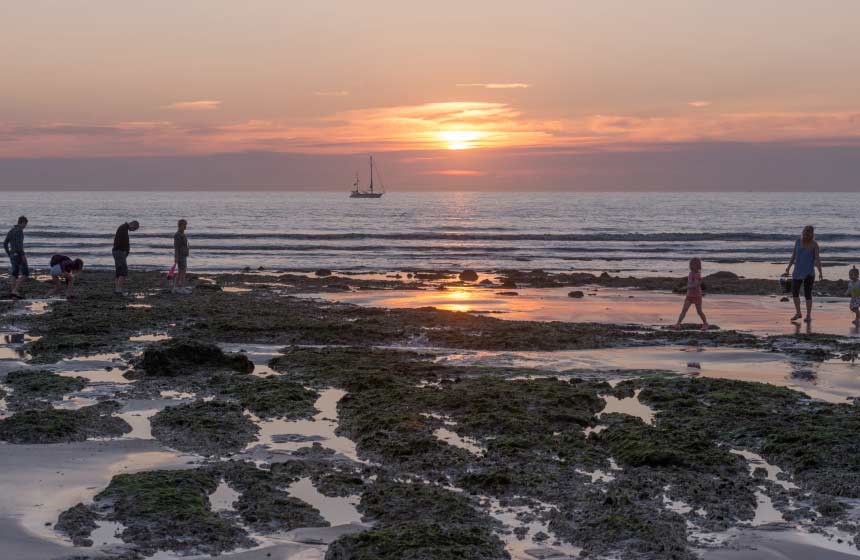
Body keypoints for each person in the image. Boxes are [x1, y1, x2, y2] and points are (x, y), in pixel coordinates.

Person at [785, 225, 823, 323]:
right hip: (797, 272)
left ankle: (808, 315)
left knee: (808, 294)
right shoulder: (798, 241)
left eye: (809, 231)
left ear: (812, 234)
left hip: (809, 273)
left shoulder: (814, 244)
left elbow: (817, 260)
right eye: (805, 231)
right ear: (803, 231)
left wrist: (820, 272)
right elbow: (793, 256)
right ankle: (798, 313)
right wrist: (788, 268)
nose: (806, 233)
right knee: (795, 292)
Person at [673, 257, 708, 331]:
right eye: (690, 264)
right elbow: (689, 283)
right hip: (689, 295)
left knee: (699, 312)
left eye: (693, 265)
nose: (691, 266)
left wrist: (685, 287)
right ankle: (678, 324)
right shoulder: (690, 273)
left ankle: (705, 323)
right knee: (684, 310)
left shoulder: (698, 275)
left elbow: (695, 285)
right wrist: (687, 287)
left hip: (697, 296)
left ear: (698, 266)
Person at [4, 216, 29, 298]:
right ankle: (15, 290)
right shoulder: (19, 231)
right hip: (18, 254)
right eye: (25, 224)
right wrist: (22, 255)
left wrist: (9, 253)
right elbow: (19, 245)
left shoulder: (11, 230)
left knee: (14, 274)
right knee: (25, 273)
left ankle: (13, 293)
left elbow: (5, 243)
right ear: (22, 222)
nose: (25, 226)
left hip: (12, 254)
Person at [112, 220, 139, 295]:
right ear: (132, 224)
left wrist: (125, 251)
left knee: (119, 271)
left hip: (118, 251)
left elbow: (121, 241)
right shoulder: (123, 228)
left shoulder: (123, 228)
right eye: (134, 229)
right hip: (119, 252)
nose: (133, 231)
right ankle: (118, 290)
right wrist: (124, 252)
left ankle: (117, 289)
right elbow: (122, 242)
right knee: (123, 272)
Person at [172, 219, 189, 292]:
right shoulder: (177, 235)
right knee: (182, 271)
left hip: (183, 255)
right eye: (184, 225)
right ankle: (181, 287)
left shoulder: (182, 234)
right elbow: (176, 247)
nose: (185, 226)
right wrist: (176, 257)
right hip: (180, 256)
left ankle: (176, 287)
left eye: (186, 225)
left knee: (181, 271)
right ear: (181, 225)